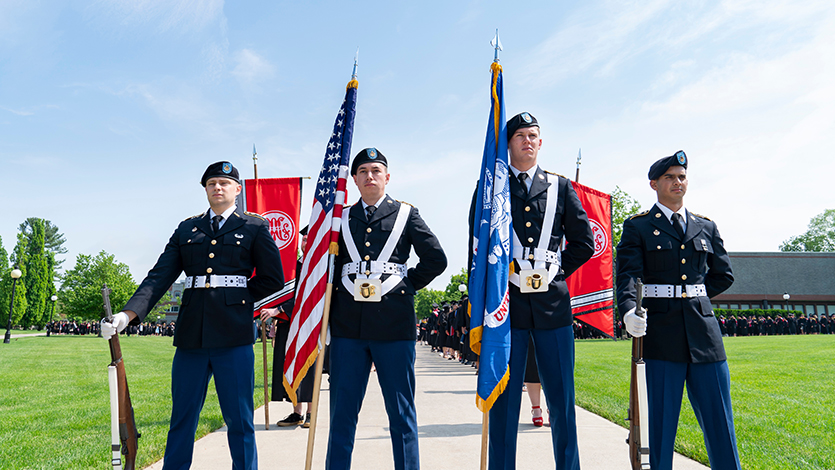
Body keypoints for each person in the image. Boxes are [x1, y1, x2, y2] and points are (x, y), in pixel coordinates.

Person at [101, 161, 284, 470]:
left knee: (239, 420)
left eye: (225, 183)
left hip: (234, 337)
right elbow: (159, 276)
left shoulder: (254, 227)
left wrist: (237, 301)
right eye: (212, 183)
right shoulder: (188, 228)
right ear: (205, 190)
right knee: (182, 418)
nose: (218, 187)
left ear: (238, 190)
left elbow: (272, 279)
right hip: (191, 337)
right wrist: (127, 315)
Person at [474, 112, 594, 470]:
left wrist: (553, 272)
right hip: (505, 309)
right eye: (520, 135)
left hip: (552, 307)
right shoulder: (489, 188)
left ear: (541, 143)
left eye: (534, 135)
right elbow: (477, 249)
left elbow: (584, 243)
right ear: (507, 143)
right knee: (504, 402)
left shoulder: (560, 187)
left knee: (561, 400)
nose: (528, 141)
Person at [616, 151, 740, 470]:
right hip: (660, 334)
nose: (678, 182)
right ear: (654, 183)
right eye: (670, 177)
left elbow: (723, 274)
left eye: (682, 176)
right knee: (660, 428)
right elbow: (629, 275)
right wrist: (630, 310)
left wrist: (692, 297)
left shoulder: (705, 226)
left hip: (704, 335)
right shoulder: (638, 227)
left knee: (720, 424)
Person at [326, 148, 447, 470]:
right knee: (341, 414)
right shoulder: (339, 218)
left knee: (401, 412)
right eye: (363, 171)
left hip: (394, 326)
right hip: (347, 327)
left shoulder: (406, 214)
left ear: (387, 177)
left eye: (376, 171)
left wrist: (404, 287)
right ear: (353, 179)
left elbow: (437, 259)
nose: (369, 176)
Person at [260, 226, 315, 428]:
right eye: (304, 240)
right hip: (287, 323)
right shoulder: (292, 267)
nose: (305, 243)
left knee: (308, 367)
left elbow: (310, 296)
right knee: (289, 365)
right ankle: (296, 412)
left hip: (309, 325)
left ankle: (311, 412)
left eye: (310, 240)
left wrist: (279, 309)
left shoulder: (317, 267)